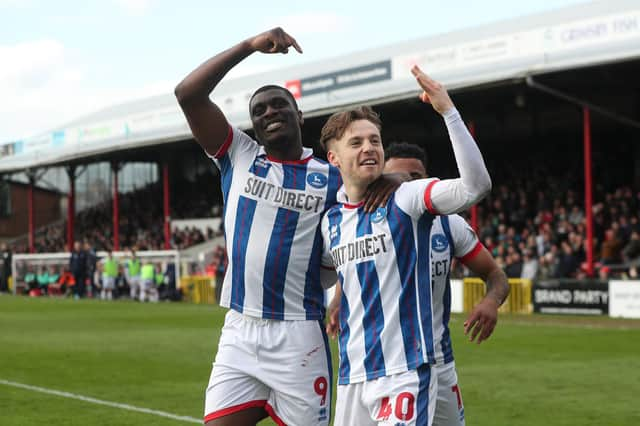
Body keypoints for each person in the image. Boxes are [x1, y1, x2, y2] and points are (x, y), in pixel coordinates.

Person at [175, 27, 490, 426]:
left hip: (300, 337)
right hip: (238, 329)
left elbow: (365, 203)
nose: (269, 112)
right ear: (251, 127)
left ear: (299, 116)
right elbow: (188, 94)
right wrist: (249, 46)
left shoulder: (331, 176)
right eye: (260, 111)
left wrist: (394, 178)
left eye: (279, 105)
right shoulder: (239, 155)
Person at [319, 69, 501, 425]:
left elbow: (476, 186)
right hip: (353, 373)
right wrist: (339, 298)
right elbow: (337, 273)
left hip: (407, 370)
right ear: (333, 159)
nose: (369, 147)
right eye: (356, 143)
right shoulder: (331, 222)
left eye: (374, 140)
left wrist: (448, 111)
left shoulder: (408, 198)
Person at [340, 140, 508, 426]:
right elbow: (351, 273)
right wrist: (336, 301)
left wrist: (491, 301)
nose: (404, 183)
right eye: (395, 176)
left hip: (438, 363)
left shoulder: (449, 224)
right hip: (379, 364)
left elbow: (496, 275)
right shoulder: (362, 224)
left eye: (414, 177)